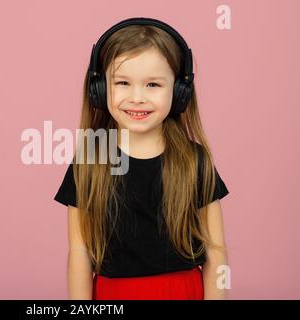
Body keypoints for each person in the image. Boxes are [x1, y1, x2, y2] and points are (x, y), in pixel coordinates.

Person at [54, 17, 230, 300]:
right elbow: (79, 250)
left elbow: (216, 250)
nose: (137, 97)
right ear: (99, 89)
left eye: (152, 85)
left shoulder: (194, 160)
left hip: (184, 292)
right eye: (123, 82)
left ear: (180, 91)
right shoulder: (88, 162)